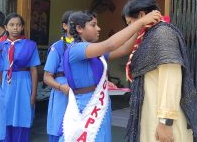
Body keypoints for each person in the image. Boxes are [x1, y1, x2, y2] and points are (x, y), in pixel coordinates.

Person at [60, 10, 161, 142]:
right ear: (79, 28)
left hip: (100, 105)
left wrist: (139, 29)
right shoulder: (76, 49)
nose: (98, 28)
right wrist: (141, 21)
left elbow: (124, 49)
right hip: (86, 107)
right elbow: (110, 44)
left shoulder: (93, 50)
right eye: (93, 25)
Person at [123, 0, 197, 142]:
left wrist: (165, 122)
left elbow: (171, 79)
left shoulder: (163, 34)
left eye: (130, 22)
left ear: (141, 15)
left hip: (163, 123)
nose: (130, 27)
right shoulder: (148, 36)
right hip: (151, 116)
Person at [0, 13, 41, 142]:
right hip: (5, 84)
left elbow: (34, 70)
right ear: (6, 27)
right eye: (12, 25)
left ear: (22, 27)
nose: (15, 28)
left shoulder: (30, 45)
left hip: (24, 83)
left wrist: (34, 93)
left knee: (22, 116)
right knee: (4, 116)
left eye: (18, 25)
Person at [43, 11, 74, 142]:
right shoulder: (57, 47)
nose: (76, 27)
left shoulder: (86, 46)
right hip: (62, 91)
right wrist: (61, 87)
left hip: (80, 91)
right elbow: (47, 76)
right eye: (72, 24)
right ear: (64, 26)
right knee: (60, 128)